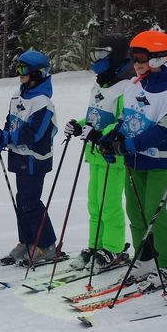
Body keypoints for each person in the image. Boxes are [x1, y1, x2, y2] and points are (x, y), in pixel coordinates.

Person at [96, 30, 167, 287]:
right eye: (133, 58)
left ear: (157, 58)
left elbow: (165, 130)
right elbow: (125, 120)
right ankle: (145, 258)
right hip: (135, 160)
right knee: (135, 212)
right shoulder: (133, 86)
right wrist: (110, 139)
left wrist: (131, 144)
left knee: (154, 211)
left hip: (161, 160)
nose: (136, 64)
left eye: (141, 59)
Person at [63, 35, 134, 272]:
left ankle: (114, 247)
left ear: (115, 56)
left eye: (101, 54)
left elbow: (123, 122)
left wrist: (99, 134)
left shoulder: (126, 86)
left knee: (109, 203)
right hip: (94, 153)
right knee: (94, 203)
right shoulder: (100, 84)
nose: (95, 59)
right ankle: (95, 245)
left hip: (112, 155)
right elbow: (94, 117)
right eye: (93, 53)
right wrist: (79, 125)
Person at [0, 50, 59, 266]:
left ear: (37, 73)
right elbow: (11, 122)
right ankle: (27, 241)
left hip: (35, 159)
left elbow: (35, 134)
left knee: (31, 201)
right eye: (18, 69)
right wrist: (1, 137)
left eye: (23, 69)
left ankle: (47, 245)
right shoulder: (17, 96)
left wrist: (8, 137)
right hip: (19, 156)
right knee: (22, 201)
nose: (19, 74)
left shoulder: (43, 103)